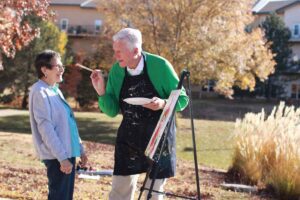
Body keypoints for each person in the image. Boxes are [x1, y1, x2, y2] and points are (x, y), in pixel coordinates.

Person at [90, 28, 189, 200]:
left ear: (136, 50)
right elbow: (112, 110)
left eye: (119, 51)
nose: (116, 55)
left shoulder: (160, 66)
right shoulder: (117, 71)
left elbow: (182, 99)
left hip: (158, 139)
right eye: (115, 51)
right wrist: (101, 92)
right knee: (119, 192)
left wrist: (163, 104)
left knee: (153, 194)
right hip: (129, 139)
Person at [29, 50, 88, 200]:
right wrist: (62, 158)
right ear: (44, 70)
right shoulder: (39, 92)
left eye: (62, 66)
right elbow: (46, 129)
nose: (62, 69)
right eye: (58, 66)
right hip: (58, 157)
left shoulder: (54, 91)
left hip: (67, 154)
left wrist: (80, 149)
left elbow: (68, 124)